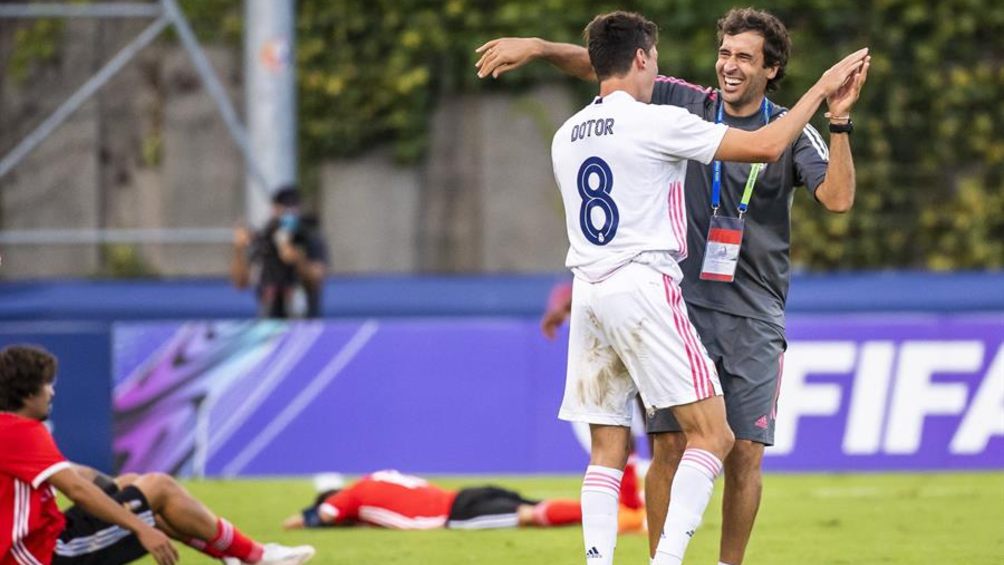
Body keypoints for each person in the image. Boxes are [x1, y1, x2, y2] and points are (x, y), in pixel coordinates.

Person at [478, 8, 869, 564]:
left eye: (744, 58)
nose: (729, 67)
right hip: (676, 304)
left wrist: (839, 120)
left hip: (752, 309)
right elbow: (602, 67)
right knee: (668, 445)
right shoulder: (684, 104)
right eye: (725, 53)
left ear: (772, 68)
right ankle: (666, 558)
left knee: (745, 454)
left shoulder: (791, 129)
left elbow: (837, 198)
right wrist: (542, 48)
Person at [0, 345, 316, 565]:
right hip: (44, 555)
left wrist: (118, 489)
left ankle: (238, 556)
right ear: (29, 393)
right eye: (47, 385)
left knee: (135, 485)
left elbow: (73, 473)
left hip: (42, 540)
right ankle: (256, 557)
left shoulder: (8, 428)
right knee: (159, 488)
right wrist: (141, 528)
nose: (52, 392)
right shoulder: (22, 431)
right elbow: (77, 489)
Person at [282, 469, 584, 531]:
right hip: (465, 493)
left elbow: (320, 516)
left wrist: (306, 515)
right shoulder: (375, 477)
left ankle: (612, 519)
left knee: (531, 517)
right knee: (535, 505)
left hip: (456, 514)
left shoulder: (349, 497)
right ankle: (610, 512)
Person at [231, 186, 328, 319]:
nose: (288, 213)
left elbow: (316, 279)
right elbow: (240, 283)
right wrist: (239, 249)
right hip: (270, 320)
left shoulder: (308, 237)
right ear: (274, 209)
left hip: (304, 321)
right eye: (283, 207)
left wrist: (297, 259)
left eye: (293, 207)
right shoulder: (265, 237)